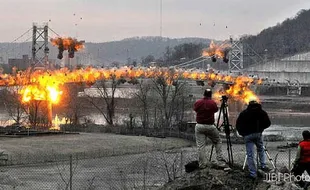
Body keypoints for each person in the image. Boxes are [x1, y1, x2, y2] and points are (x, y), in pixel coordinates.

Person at [236, 97, 271, 179]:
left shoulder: (244, 113)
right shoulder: (262, 112)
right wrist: (261, 129)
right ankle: (263, 165)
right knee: (261, 149)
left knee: (250, 154)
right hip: (258, 134)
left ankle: (253, 173)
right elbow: (268, 123)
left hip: (247, 135)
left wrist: (243, 134)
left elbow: (238, 125)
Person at [193, 88, 226, 168]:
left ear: (204, 94)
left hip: (199, 126)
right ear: (210, 95)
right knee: (217, 141)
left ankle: (202, 164)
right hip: (210, 126)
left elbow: (195, 109)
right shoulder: (212, 103)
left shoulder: (198, 102)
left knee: (201, 146)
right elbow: (215, 110)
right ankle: (220, 159)